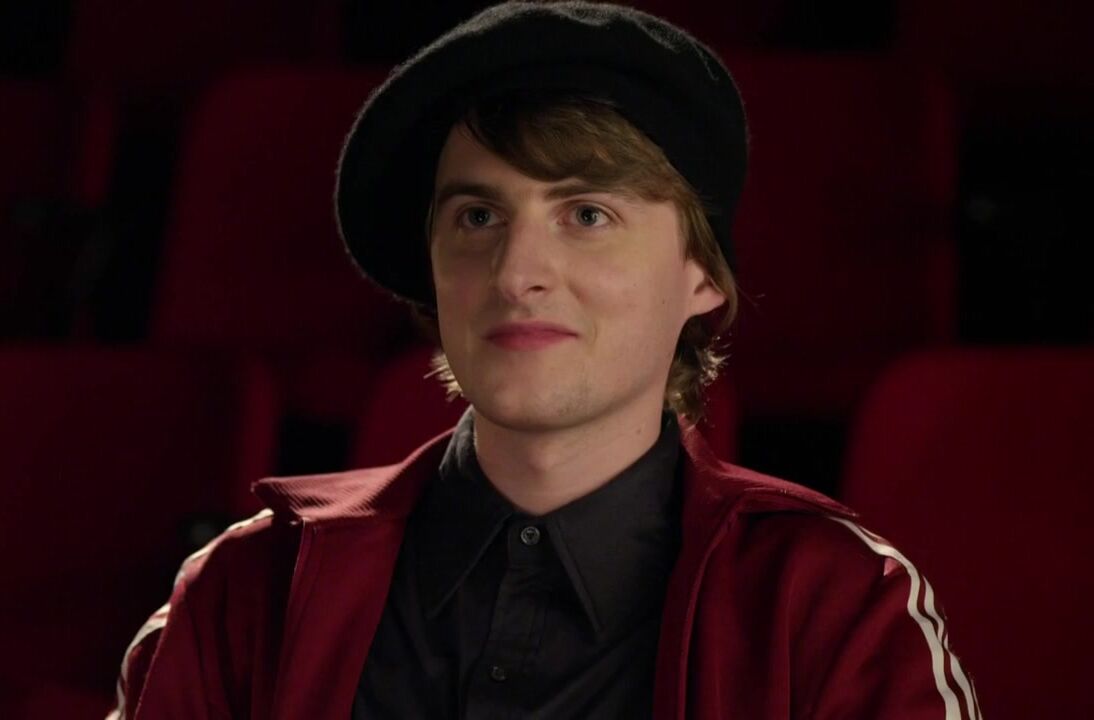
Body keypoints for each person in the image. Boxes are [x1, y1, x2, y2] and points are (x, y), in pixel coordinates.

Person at [109, 2, 980, 718]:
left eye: (587, 215)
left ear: (703, 277)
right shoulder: (246, 587)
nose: (515, 273)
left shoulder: (838, 603)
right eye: (478, 217)